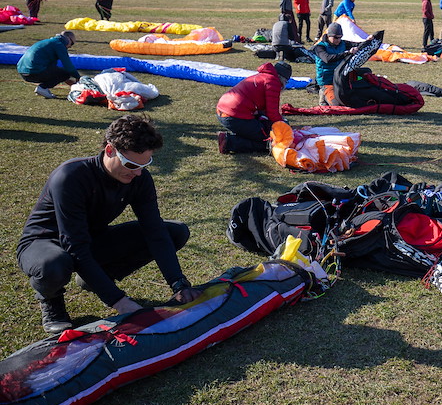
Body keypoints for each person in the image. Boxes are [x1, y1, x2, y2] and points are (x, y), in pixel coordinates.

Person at [17, 115, 201, 334]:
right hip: (45, 242)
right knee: (54, 265)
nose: (138, 172)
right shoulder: (71, 176)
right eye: (132, 164)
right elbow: (74, 244)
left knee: (174, 232)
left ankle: (97, 277)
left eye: (145, 164)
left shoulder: (139, 178)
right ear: (110, 150)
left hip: (92, 239)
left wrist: (177, 282)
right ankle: (51, 301)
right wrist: (118, 300)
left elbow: (155, 231)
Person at [217, 62, 292, 154]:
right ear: (283, 79)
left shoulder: (263, 76)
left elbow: (265, 109)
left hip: (224, 111)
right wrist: (283, 126)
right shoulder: (273, 82)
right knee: (267, 140)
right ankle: (229, 142)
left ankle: (237, 136)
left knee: (261, 129)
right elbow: (272, 113)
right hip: (234, 116)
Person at [313, 21, 372, 106]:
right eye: (336, 37)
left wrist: (368, 40)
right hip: (328, 82)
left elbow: (358, 45)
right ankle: (324, 95)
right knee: (337, 105)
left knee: (365, 73)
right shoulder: (319, 47)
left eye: (340, 37)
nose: (338, 40)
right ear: (329, 35)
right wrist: (347, 53)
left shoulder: (343, 43)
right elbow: (327, 59)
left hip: (341, 79)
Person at [17, 31, 79, 99]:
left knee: (61, 72)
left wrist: (67, 80)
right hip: (34, 71)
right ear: (68, 39)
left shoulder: (50, 42)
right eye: (72, 43)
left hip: (22, 71)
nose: (70, 46)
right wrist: (78, 77)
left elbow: (53, 68)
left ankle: (43, 89)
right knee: (66, 73)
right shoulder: (59, 45)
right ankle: (43, 88)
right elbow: (68, 66)